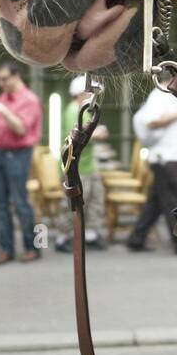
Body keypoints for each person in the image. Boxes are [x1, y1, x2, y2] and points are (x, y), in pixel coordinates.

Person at [0, 60, 43, 265]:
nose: (1, 84)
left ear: (16, 76)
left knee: (21, 202)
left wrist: (1, 110)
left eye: (4, 79)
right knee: (0, 204)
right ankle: (6, 248)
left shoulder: (29, 100)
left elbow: (20, 129)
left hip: (18, 153)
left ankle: (33, 247)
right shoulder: (3, 98)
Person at [126, 85, 177, 253]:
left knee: (155, 203)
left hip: (170, 157)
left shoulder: (174, 97)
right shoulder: (160, 95)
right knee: (172, 201)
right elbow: (151, 123)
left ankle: (136, 239)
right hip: (165, 157)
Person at [59, 76, 108, 250]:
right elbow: (77, 134)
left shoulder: (81, 109)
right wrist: (98, 133)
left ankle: (90, 235)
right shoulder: (75, 110)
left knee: (94, 198)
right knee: (75, 202)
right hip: (78, 165)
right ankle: (65, 237)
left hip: (86, 164)